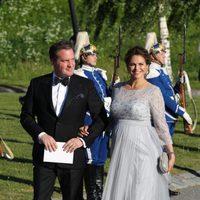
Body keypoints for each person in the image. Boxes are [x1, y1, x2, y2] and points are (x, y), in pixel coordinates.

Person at [20, 40, 108, 200]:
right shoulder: (37, 84)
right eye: (65, 61)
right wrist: (41, 135)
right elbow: (26, 116)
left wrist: (82, 141)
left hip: (73, 155)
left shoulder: (85, 85)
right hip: (44, 157)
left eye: (72, 60)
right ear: (53, 61)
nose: (71, 65)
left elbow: (102, 118)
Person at [102, 46, 175, 200]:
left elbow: (161, 124)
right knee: (122, 191)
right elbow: (111, 120)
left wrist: (170, 152)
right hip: (120, 148)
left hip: (144, 148)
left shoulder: (153, 91)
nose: (137, 68)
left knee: (141, 191)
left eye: (141, 64)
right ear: (128, 66)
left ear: (147, 66)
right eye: (133, 64)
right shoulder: (117, 89)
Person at [75, 44, 111, 200]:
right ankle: (92, 195)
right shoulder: (80, 74)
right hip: (89, 120)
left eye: (96, 53)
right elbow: (78, 103)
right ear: (83, 57)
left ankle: (98, 194)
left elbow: (106, 96)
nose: (95, 56)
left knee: (101, 157)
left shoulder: (99, 74)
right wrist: (81, 123)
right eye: (92, 54)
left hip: (104, 121)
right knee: (91, 158)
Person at [146, 43, 192, 137]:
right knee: (159, 149)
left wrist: (179, 84)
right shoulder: (152, 73)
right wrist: (181, 112)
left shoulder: (160, 71)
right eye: (160, 52)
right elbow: (163, 96)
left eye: (164, 52)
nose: (164, 55)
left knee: (166, 149)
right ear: (152, 56)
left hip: (169, 117)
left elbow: (170, 92)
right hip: (162, 116)